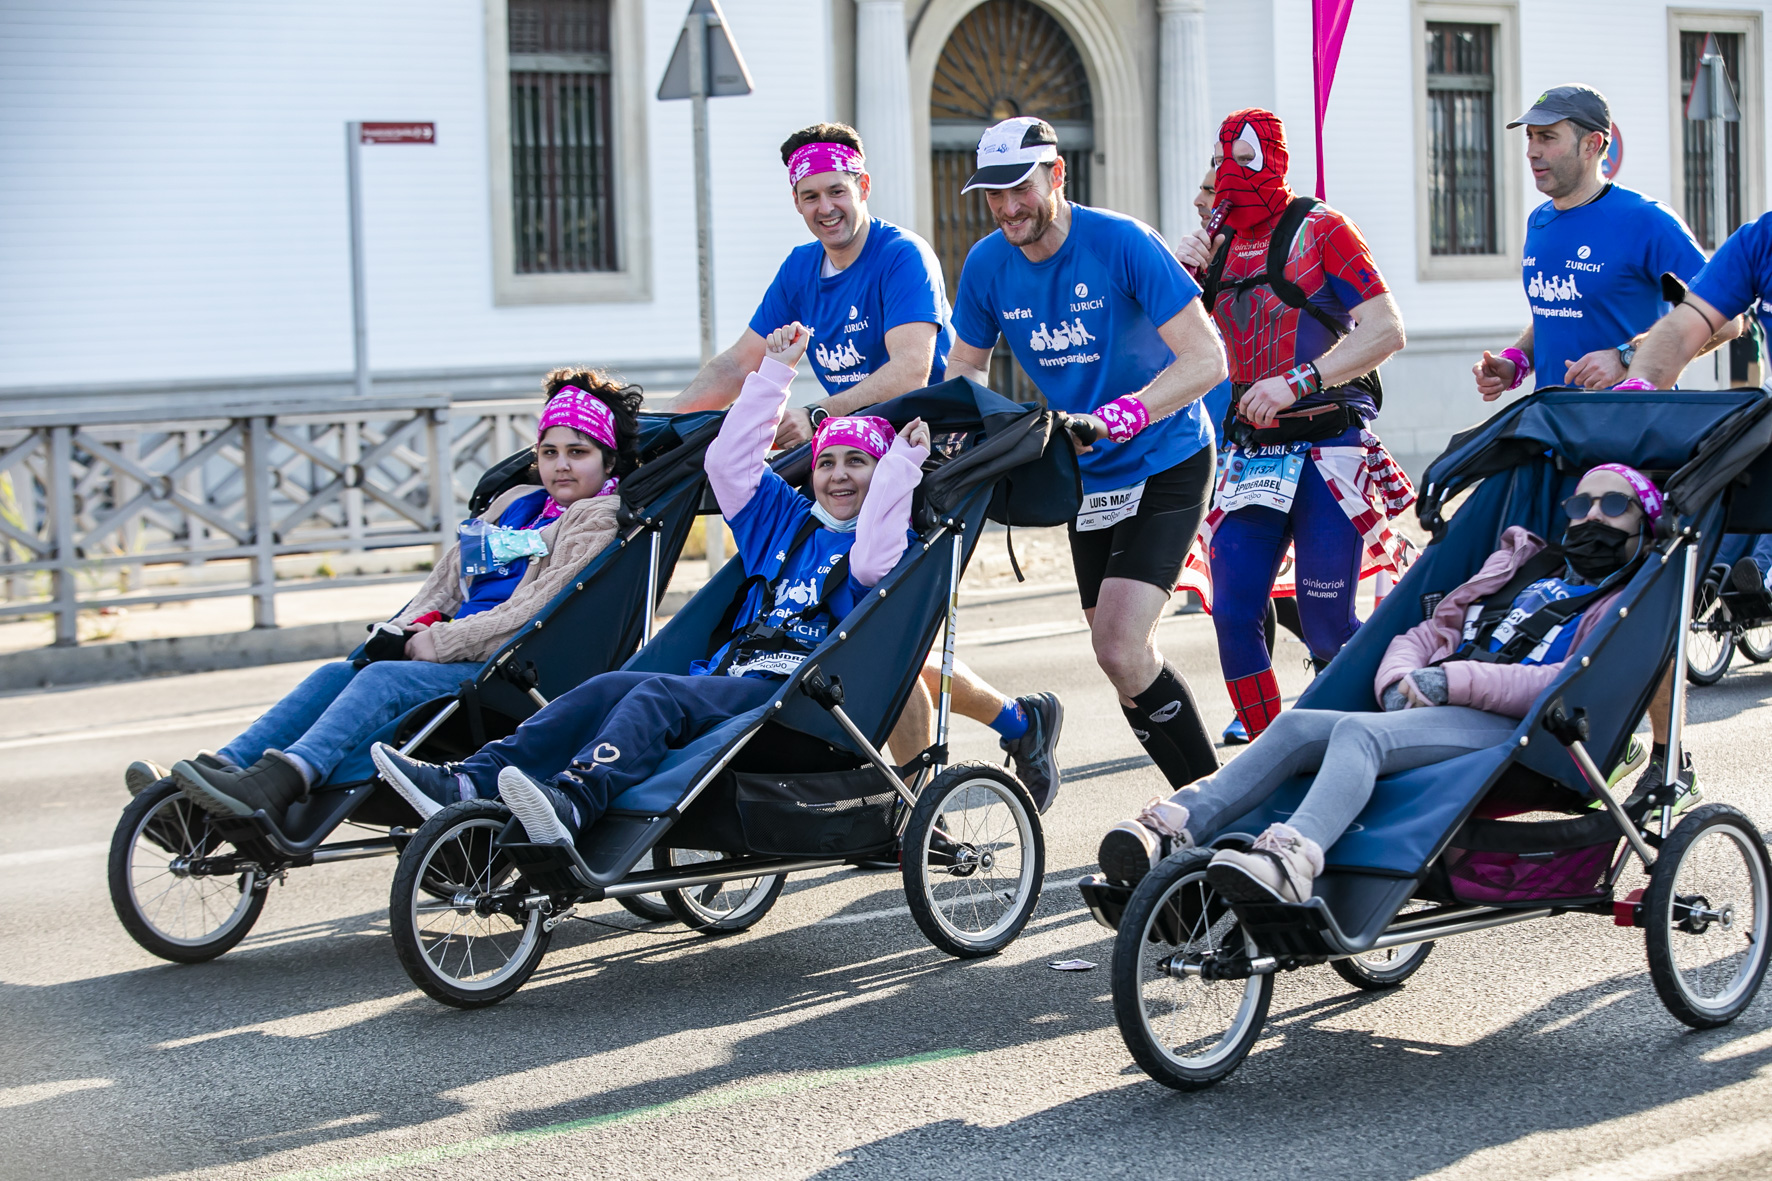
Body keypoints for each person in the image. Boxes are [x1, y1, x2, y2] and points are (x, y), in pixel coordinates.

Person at [371, 323, 931, 844]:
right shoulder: (787, 521)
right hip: (730, 680)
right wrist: (775, 373)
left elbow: (873, 558)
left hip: (797, 702)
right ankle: (470, 780)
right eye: (826, 462)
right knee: (606, 688)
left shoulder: (880, 547)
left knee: (657, 696)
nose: (837, 474)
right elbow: (729, 465)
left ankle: (574, 800)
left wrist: (900, 469)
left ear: (880, 474)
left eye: (857, 462)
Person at [669, 121, 1064, 808]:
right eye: (810, 195)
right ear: (796, 201)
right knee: (854, 631)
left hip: (918, 463)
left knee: (882, 639)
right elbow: (738, 363)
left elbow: (912, 367)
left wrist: (820, 413)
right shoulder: (801, 269)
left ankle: (914, 811)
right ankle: (1018, 723)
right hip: (846, 470)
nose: (826, 207)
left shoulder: (900, 255)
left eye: (837, 191)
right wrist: (667, 428)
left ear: (864, 186)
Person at [1098, 463, 1674, 902]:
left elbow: (1565, 681)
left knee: (1360, 735)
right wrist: (1401, 676)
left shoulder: (1624, 600)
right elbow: (1433, 629)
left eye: (1613, 505)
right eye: (1581, 503)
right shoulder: (1524, 565)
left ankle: (1292, 860)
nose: (1592, 516)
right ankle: (1176, 825)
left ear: (1643, 521)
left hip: (1525, 733)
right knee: (1297, 726)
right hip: (1443, 704)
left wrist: (1450, 681)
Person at [155, 371, 641, 823]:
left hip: (510, 665)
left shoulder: (597, 517)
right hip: (454, 649)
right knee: (337, 673)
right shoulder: (517, 502)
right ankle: (216, 779)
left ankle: (289, 776)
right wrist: (406, 628)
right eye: (549, 452)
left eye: (578, 452)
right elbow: (443, 585)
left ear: (608, 460)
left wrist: (442, 642)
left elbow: (536, 610)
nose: (561, 465)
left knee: (384, 680)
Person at [945, 115, 1228, 789]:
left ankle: (1217, 808)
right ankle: (1199, 806)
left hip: (1167, 457)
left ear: (1057, 174)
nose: (1008, 207)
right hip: (1086, 476)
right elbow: (965, 371)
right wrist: (960, 437)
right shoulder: (986, 264)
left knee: (1121, 647)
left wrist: (1124, 414)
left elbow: (1207, 358)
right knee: (1119, 660)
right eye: (993, 193)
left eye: (1021, 187)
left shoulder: (1122, 243)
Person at [1173, 108, 1410, 744]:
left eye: (1242, 160)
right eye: (1219, 164)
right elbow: (1172, 353)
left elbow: (1387, 330)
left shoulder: (1324, 228)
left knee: (1327, 624)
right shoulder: (1213, 246)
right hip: (1253, 456)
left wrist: (1298, 381)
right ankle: (1273, 756)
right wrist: (1181, 280)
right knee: (1233, 614)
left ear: (1273, 160)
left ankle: (1395, 730)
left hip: (1329, 447)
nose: (1227, 177)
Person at [1473, 84, 1738, 400]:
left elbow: (1726, 320)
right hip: (1552, 421)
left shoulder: (1647, 219)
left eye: (1547, 137)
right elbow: (1561, 312)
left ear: (1591, 145)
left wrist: (1626, 356)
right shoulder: (1538, 220)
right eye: (1530, 137)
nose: (1532, 151)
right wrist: (1518, 361)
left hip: (1633, 423)